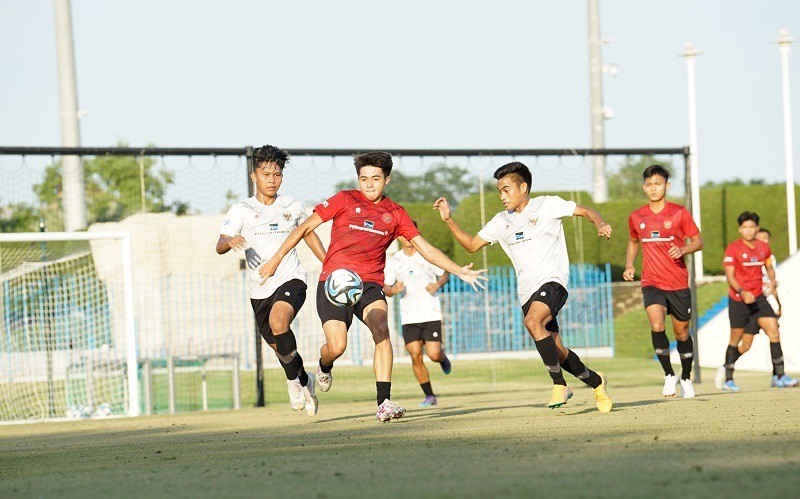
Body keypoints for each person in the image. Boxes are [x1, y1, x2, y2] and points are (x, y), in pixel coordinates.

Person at [258, 152, 488, 422]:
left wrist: (458, 270)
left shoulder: (395, 213)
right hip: (335, 283)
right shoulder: (344, 199)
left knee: (382, 330)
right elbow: (303, 228)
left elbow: (426, 249)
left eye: (375, 179)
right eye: (363, 179)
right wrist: (275, 260)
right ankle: (324, 365)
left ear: (387, 180)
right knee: (337, 346)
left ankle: (384, 402)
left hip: (369, 285)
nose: (369, 185)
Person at [433, 161, 613, 413]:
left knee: (531, 322)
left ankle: (559, 384)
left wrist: (600, 222)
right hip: (526, 292)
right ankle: (596, 381)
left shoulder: (547, 205)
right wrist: (449, 220)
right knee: (558, 351)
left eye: (506, 189)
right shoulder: (500, 221)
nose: (502, 196)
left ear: (523, 187)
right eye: (499, 191)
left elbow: (585, 211)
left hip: (553, 282)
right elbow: (472, 245)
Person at [216, 145, 326, 416]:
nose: (272, 180)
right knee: (281, 348)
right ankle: (304, 379)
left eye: (277, 174)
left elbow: (308, 233)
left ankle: (291, 383)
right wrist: (231, 240)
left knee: (280, 322)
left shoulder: (292, 206)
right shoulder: (241, 209)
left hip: (291, 278)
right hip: (259, 288)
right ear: (254, 176)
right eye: (266, 174)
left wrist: (328, 262)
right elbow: (219, 245)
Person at [623, 165, 703, 398]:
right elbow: (633, 241)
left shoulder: (679, 213)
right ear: (644, 187)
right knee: (657, 325)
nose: (653, 188)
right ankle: (669, 374)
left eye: (657, 184)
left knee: (682, 333)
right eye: (649, 185)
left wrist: (683, 249)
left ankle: (686, 377)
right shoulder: (637, 216)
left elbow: (698, 242)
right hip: (652, 282)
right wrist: (630, 265)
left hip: (678, 283)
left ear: (666, 186)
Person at [714, 212, 798, 391]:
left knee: (774, 332)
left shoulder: (763, 248)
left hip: (758, 299)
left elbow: (769, 267)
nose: (748, 230)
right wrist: (742, 292)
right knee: (741, 343)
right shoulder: (733, 248)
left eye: (752, 227)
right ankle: (728, 376)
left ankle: (779, 376)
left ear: (757, 228)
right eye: (744, 227)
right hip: (739, 300)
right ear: (740, 229)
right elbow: (730, 275)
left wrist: (772, 281)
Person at [384, 229, 451, 407]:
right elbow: (386, 289)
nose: (407, 238)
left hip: (430, 313)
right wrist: (393, 290)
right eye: (403, 234)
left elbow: (444, 273)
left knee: (433, 354)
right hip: (409, 317)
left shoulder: (427, 254)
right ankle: (429, 396)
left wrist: (437, 284)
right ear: (398, 237)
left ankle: (442, 358)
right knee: (415, 355)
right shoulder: (394, 261)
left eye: (410, 234)